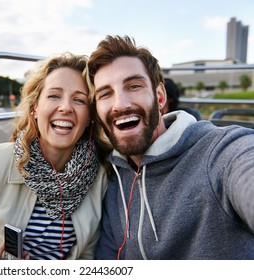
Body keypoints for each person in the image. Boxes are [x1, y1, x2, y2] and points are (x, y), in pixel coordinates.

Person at [87, 35, 254, 259]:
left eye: (134, 86)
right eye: (106, 94)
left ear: (160, 96)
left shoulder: (220, 152)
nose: (121, 104)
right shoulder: (114, 177)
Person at [0, 52, 111, 260]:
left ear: (89, 118)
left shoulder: (101, 174)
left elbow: (89, 251)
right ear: (35, 108)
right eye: (54, 95)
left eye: (79, 100)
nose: (66, 107)